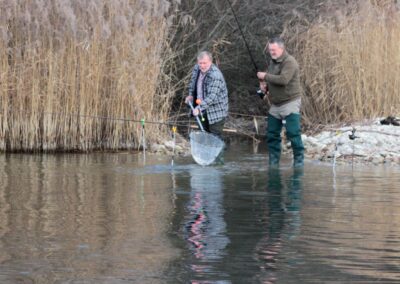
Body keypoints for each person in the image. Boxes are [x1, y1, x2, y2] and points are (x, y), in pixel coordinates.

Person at [257, 37, 305, 167]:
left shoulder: (290, 62)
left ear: (281, 48)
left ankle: (299, 163)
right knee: (272, 134)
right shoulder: (274, 62)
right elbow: (273, 81)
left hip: (290, 102)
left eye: (274, 50)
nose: (271, 52)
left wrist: (265, 76)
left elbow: (283, 80)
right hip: (275, 104)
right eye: (270, 50)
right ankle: (273, 163)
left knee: (293, 133)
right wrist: (265, 87)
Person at [185, 51, 228, 138]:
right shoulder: (197, 68)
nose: (202, 66)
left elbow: (212, 97)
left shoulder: (215, 75)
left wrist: (199, 108)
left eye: (205, 63)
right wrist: (190, 95)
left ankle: (220, 151)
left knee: (214, 139)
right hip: (201, 110)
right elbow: (192, 83)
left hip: (216, 112)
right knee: (203, 136)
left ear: (210, 62)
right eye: (200, 63)